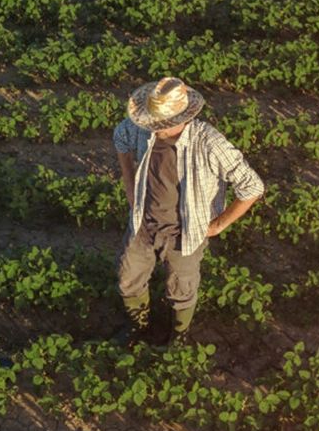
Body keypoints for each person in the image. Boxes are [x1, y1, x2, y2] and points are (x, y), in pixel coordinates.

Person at [112, 77, 264, 346]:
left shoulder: (208, 143)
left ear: (184, 116)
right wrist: (129, 184)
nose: (155, 128)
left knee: (181, 287)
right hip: (144, 223)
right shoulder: (141, 129)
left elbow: (252, 186)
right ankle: (139, 325)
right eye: (152, 120)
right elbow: (120, 137)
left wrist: (218, 225)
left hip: (185, 233)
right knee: (128, 276)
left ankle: (179, 335)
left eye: (162, 123)